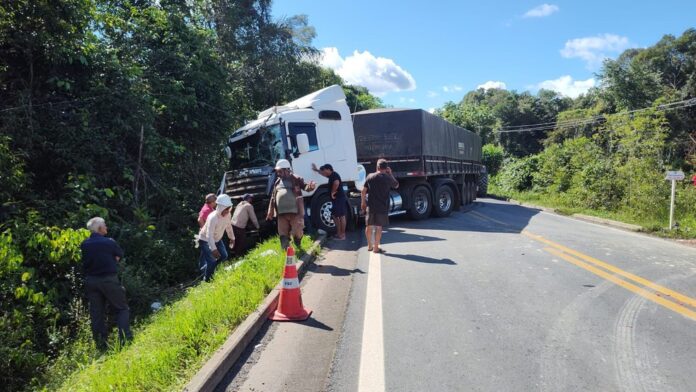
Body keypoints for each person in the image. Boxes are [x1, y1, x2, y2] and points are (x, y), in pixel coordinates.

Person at [80, 217, 133, 350]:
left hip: (91, 281)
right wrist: (112, 259)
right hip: (108, 279)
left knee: (97, 314)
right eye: (104, 225)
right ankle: (125, 340)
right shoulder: (109, 242)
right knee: (122, 309)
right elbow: (119, 255)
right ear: (99, 228)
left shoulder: (84, 244)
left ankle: (101, 345)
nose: (106, 228)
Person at [266, 159, 316, 250]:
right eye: (277, 172)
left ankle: (298, 244)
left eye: (280, 171)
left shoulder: (296, 179)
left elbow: (306, 187)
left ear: (287, 170)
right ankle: (286, 251)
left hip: (295, 213)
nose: (278, 173)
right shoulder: (277, 182)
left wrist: (311, 187)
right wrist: (270, 211)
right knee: (283, 233)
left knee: (297, 231)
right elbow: (273, 197)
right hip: (281, 214)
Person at [361, 159, 399, 253]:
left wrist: (363, 203)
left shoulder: (370, 176)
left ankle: (369, 245)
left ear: (377, 167)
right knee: (378, 227)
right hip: (382, 206)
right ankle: (376, 248)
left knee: (369, 226)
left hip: (371, 206)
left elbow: (363, 191)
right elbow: (397, 185)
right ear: (386, 168)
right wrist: (390, 174)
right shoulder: (388, 177)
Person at [198, 194, 235, 281]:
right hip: (205, 240)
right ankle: (207, 280)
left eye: (229, 208)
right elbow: (209, 234)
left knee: (224, 256)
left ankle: (205, 269)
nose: (227, 211)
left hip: (217, 239)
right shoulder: (212, 217)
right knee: (212, 261)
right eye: (226, 209)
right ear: (220, 207)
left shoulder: (228, 215)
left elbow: (229, 226)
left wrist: (232, 238)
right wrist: (213, 249)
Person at [312, 162, 347, 240]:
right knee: (335, 215)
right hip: (337, 199)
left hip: (338, 198)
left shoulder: (334, 175)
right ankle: (339, 233)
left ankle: (342, 235)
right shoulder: (331, 175)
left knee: (341, 216)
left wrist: (333, 192)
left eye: (324, 171)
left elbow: (336, 183)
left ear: (328, 169)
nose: (324, 174)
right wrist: (316, 170)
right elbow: (323, 173)